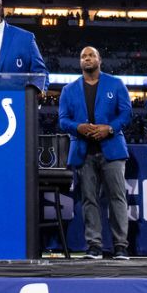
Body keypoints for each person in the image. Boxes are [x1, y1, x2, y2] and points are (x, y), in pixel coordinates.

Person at [58, 46, 133, 260]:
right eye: (83, 56)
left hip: (112, 149)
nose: (87, 58)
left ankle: (120, 246)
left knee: (117, 198)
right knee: (89, 199)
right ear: (80, 62)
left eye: (91, 55)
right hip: (83, 151)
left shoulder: (115, 84)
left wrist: (108, 128)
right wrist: (78, 127)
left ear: (99, 59)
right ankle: (94, 246)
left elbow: (126, 113)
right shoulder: (68, 90)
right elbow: (63, 120)